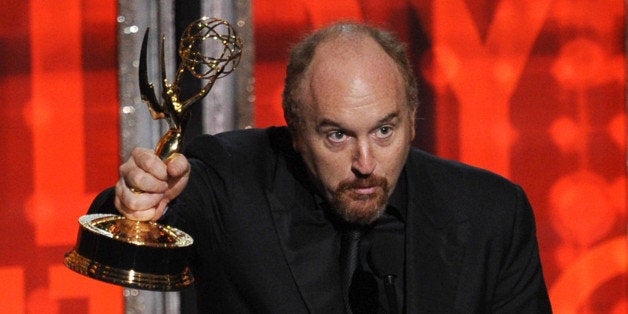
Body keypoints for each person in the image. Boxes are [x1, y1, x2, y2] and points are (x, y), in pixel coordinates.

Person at [90, 22, 552, 313]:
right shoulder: (232, 176)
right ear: (294, 128)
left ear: (413, 119)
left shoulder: (492, 211)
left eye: (384, 131)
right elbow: (121, 252)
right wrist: (136, 203)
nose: (366, 164)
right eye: (337, 136)